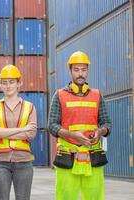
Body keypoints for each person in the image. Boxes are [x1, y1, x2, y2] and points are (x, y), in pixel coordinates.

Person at [47, 51, 112, 200]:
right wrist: (72, 135)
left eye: (83, 70)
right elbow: (51, 125)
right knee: (66, 196)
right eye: (76, 70)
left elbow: (107, 123)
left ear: (87, 70)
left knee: (95, 196)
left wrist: (100, 131)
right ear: (70, 71)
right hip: (67, 156)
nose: (80, 74)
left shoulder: (97, 95)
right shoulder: (59, 95)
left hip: (92, 156)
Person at [0, 64, 37, 200]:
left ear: (19, 83)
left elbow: (31, 134)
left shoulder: (30, 107)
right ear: (0, 85)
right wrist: (22, 129)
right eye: (4, 83)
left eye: (11, 82)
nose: (8, 86)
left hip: (24, 162)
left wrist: (4, 132)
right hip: (0, 162)